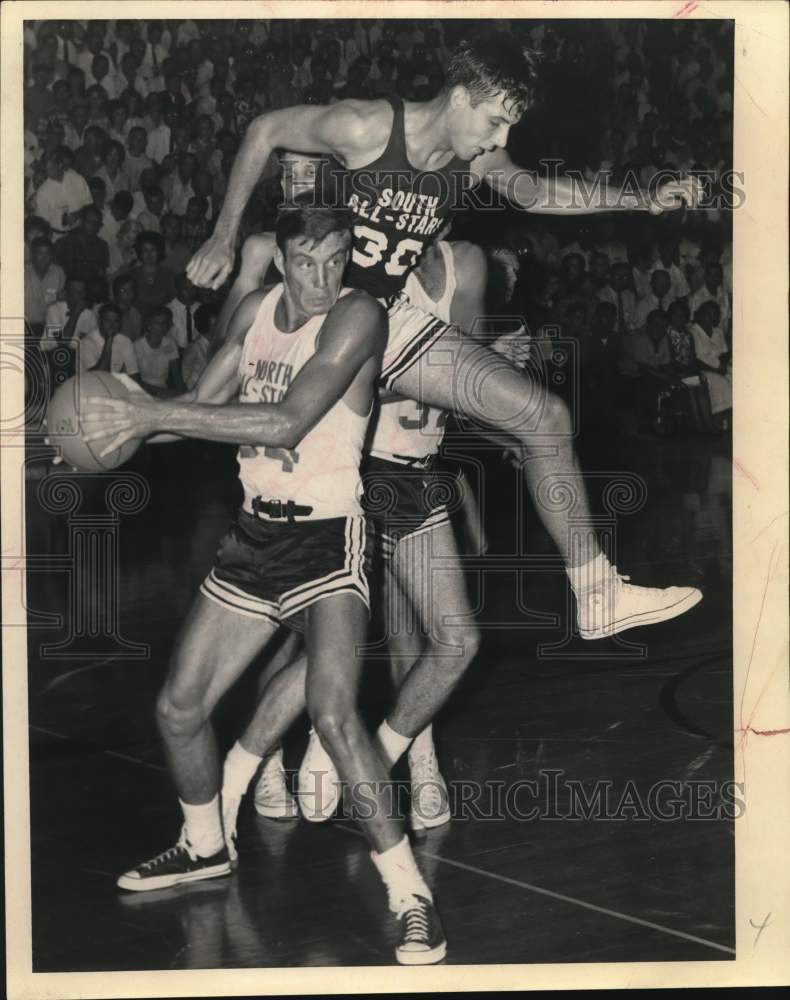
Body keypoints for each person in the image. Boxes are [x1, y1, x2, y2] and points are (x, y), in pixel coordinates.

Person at [188, 32, 703, 657]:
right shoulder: (366, 127)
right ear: (460, 98)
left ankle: (596, 593)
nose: (500, 141)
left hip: (389, 322)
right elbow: (265, 129)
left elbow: (536, 191)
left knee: (544, 416)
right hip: (330, 321)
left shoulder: (474, 160)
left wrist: (642, 200)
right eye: (495, 122)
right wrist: (223, 234)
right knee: (310, 606)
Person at [83, 205, 446, 965]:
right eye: (308, 261)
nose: (324, 276)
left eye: (337, 258)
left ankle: (413, 896)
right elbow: (200, 413)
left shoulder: (358, 316)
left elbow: (283, 423)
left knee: (335, 713)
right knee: (179, 707)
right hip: (253, 538)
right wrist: (104, 433)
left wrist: (144, 411)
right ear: (279, 259)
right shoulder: (254, 313)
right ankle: (204, 844)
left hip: (327, 539)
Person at [33, 148, 92, 236]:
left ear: (60, 165)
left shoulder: (77, 179)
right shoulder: (43, 192)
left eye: (50, 169)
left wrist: (76, 215)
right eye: (46, 169)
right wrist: (63, 219)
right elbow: (42, 222)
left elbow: (89, 204)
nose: (48, 173)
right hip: (57, 236)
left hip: (79, 232)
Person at [79, 302, 140, 377]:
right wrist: (109, 341)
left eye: (116, 321)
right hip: (89, 385)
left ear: (120, 323)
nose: (112, 325)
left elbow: (133, 375)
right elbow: (99, 376)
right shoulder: (86, 343)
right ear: (99, 321)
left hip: (113, 385)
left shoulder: (126, 341)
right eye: (107, 320)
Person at [133, 306, 183, 395]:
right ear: (148, 325)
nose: (162, 326)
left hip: (164, 390)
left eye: (164, 323)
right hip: (141, 390)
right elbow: (135, 380)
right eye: (157, 323)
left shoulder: (170, 343)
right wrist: (162, 391)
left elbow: (176, 375)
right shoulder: (137, 346)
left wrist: (180, 392)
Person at [24, 237, 65, 336]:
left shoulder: (58, 272)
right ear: (32, 255)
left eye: (48, 253)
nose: (44, 258)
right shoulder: (22, 272)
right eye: (40, 253)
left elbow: (61, 301)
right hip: (25, 327)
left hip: (49, 327)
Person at [181, 303, 219, 390]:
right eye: (215, 325)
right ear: (206, 325)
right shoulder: (194, 347)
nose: (219, 327)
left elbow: (249, 362)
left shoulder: (219, 342)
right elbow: (185, 377)